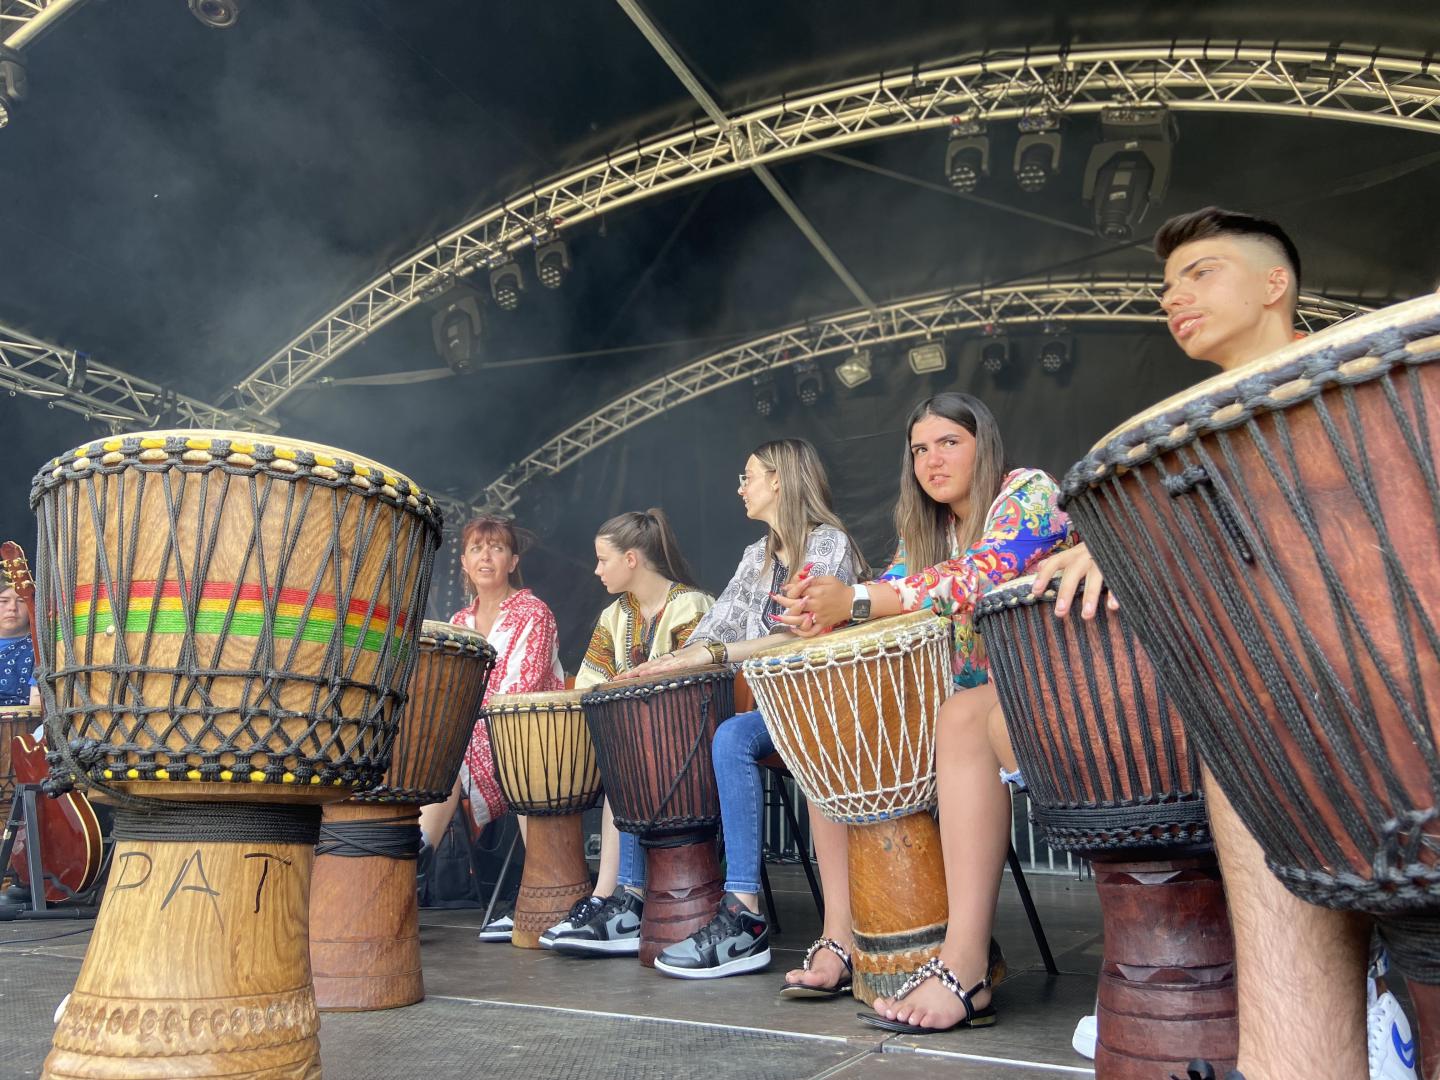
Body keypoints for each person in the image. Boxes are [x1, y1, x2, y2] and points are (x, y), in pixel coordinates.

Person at [770, 392, 1074, 1003]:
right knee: (839, 718)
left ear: (983, 444)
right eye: (919, 450)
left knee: (960, 715)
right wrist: (820, 611)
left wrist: (854, 598)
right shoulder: (929, 531)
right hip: (954, 704)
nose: (931, 461)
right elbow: (892, 591)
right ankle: (841, 939)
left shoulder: (1027, 491)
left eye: (948, 443)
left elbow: (981, 574)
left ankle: (964, 964)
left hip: (1043, 687)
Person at [620, 438, 865, 979]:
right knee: (655, 725)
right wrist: (658, 666)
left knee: (731, 736)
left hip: (826, 708)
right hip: (775, 711)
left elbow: (791, 637)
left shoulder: (828, 546)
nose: (740, 487)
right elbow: (715, 631)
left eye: (748, 476)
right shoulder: (755, 558)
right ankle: (632, 893)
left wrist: (709, 654)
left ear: (779, 479)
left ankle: (744, 914)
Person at [544, 509, 715, 954]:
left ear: (633, 559)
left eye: (604, 560)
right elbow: (589, 683)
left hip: (690, 745)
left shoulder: (690, 605)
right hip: (639, 747)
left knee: (626, 759)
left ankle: (621, 898)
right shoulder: (613, 616)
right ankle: (612, 897)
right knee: (622, 754)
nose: (597, 569)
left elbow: (696, 683)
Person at [416, 515, 564, 942]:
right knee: (439, 750)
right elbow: (447, 690)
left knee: (448, 753)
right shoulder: (459, 622)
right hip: (475, 737)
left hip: (528, 736)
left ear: (512, 560)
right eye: (477, 548)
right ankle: (412, 861)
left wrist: (458, 720)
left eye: (496, 547)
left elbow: (520, 687)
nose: (486, 556)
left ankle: (419, 855)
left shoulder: (535, 613)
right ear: (463, 562)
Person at [0, 583, 38, 708]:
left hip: (24, 724)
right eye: (3, 601)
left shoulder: (39, 648)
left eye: (21, 601)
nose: (12, 608)